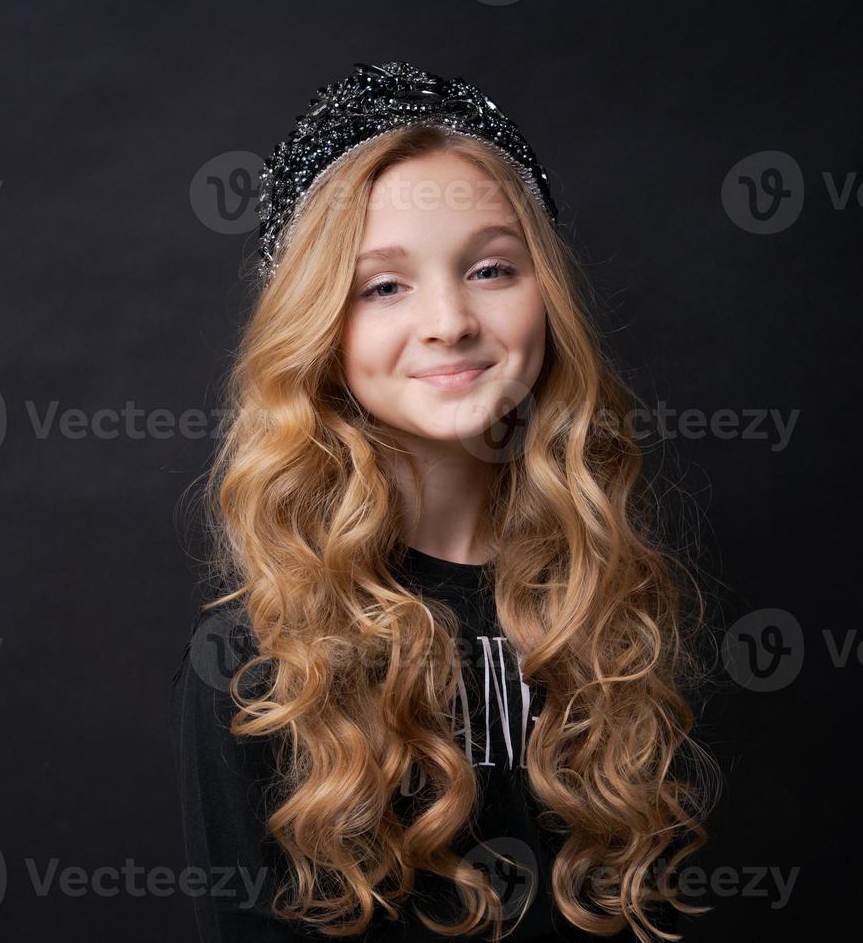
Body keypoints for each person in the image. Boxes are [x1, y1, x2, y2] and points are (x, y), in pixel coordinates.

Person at [169, 61, 718, 942]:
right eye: (384, 286)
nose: (450, 320)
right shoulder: (256, 665)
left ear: (548, 297)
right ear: (322, 331)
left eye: (493, 269)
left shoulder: (617, 616)